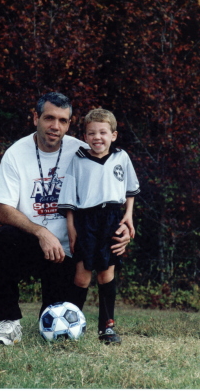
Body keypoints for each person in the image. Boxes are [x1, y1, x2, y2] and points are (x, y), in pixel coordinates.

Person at [0, 93, 132, 345]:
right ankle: (7, 323)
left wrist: (125, 228)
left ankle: (78, 321)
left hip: (71, 251)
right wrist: (41, 233)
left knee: (56, 320)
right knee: (3, 239)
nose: (55, 126)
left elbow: (113, 191)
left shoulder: (84, 150)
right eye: (49, 118)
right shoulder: (16, 154)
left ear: (69, 123)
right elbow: (3, 210)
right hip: (33, 243)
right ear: (36, 118)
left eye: (63, 120)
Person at [57, 109, 140, 344]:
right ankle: (71, 326)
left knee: (106, 272)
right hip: (86, 220)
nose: (97, 137)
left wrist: (129, 217)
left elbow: (130, 190)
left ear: (113, 135)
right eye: (91, 133)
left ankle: (107, 327)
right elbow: (70, 199)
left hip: (112, 218)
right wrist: (71, 228)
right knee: (82, 275)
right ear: (84, 137)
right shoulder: (78, 160)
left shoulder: (121, 157)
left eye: (103, 132)